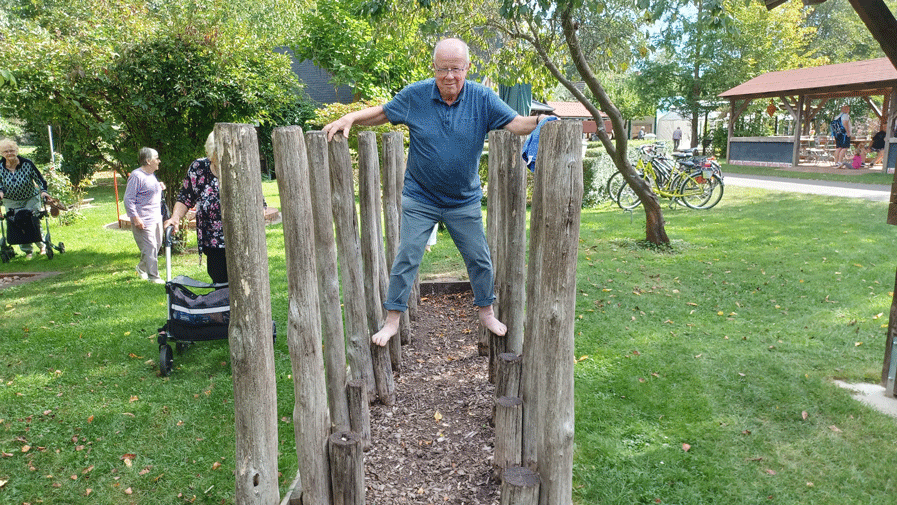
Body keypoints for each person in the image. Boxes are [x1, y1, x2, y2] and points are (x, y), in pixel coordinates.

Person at [323, 37, 544, 347]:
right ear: (434, 68)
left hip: (462, 200)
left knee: (479, 259)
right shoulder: (416, 95)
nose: (449, 76)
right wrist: (350, 118)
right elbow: (384, 113)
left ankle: (486, 313)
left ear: (467, 67)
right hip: (420, 198)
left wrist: (541, 121)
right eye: (443, 69)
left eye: (456, 68)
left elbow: (517, 123)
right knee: (407, 257)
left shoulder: (483, 98)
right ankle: (392, 321)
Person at [163, 132, 229, 284]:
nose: (215, 159)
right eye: (213, 155)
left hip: (242, 240)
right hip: (213, 242)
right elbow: (185, 197)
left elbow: (260, 203)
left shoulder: (242, 167)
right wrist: (175, 218)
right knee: (219, 283)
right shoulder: (199, 168)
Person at [0, 138, 50, 259]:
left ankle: (42, 246)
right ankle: (28, 251)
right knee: (17, 223)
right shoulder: (0, 167)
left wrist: (43, 192)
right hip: (11, 200)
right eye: (6, 151)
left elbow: (40, 179)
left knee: (33, 220)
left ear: (17, 150)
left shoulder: (27, 163)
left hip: (30, 198)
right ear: (1, 153)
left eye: (12, 150)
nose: (9, 153)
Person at [124, 147, 166, 284]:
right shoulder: (136, 176)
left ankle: (141, 268)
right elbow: (128, 199)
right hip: (143, 219)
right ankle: (153, 277)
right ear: (148, 161)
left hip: (156, 218)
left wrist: (158, 186)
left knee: (156, 246)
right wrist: (135, 218)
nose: (159, 161)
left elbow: (147, 190)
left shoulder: (150, 175)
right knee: (151, 248)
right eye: (156, 158)